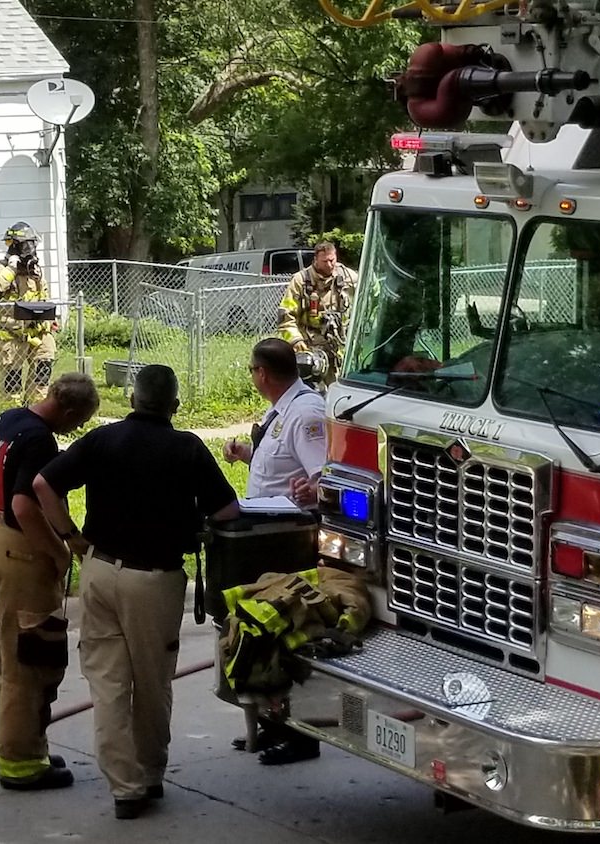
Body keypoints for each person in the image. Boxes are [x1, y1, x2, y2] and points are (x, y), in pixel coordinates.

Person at [33, 365, 241, 820]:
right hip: (155, 579)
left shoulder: (102, 440)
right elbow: (228, 511)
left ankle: (123, 787)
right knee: (152, 683)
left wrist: (71, 537)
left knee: (107, 684)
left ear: (131, 400)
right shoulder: (187, 448)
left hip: (100, 570)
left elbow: (44, 484)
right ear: (175, 406)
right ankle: (148, 775)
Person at [0, 372, 101, 792]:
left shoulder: (8, 420)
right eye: (79, 422)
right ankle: (23, 764)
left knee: (11, 657)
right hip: (22, 551)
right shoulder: (40, 441)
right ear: (67, 411)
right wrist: (60, 550)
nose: (76, 430)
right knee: (30, 663)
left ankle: (28, 743)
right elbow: (25, 506)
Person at [220, 338, 327, 764]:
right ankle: (271, 724)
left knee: (288, 638)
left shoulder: (306, 414)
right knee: (261, 637)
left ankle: (302, 735)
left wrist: (314, 488)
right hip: (266, 535)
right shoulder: (282, 409)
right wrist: (249, 454)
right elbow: (282, 469)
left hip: (290, 542)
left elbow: (323, 476)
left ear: (262, 373)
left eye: (252, 371)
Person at [0, 222, 57, 404]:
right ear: (14, 246)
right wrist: (11, 268)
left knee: (42, 378)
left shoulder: (34, 270)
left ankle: (36, 413)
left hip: (38, 334)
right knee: (13, 387)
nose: (31, 249)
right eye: (26, 244)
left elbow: (43, 295)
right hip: (12, 337)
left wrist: (49, 320)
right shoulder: (1, 268)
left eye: (32, 244)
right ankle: (13, 418)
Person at [276, 242, 358, 389]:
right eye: (324, 261)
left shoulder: (348, 277)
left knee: (342, 393)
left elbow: (371, 294)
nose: (329, 264)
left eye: (332, 260)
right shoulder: (301, 281)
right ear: (315, 260)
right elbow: (286, 317)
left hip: (340, 350)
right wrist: (295, 341)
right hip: (310, 350)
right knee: (314, 394)